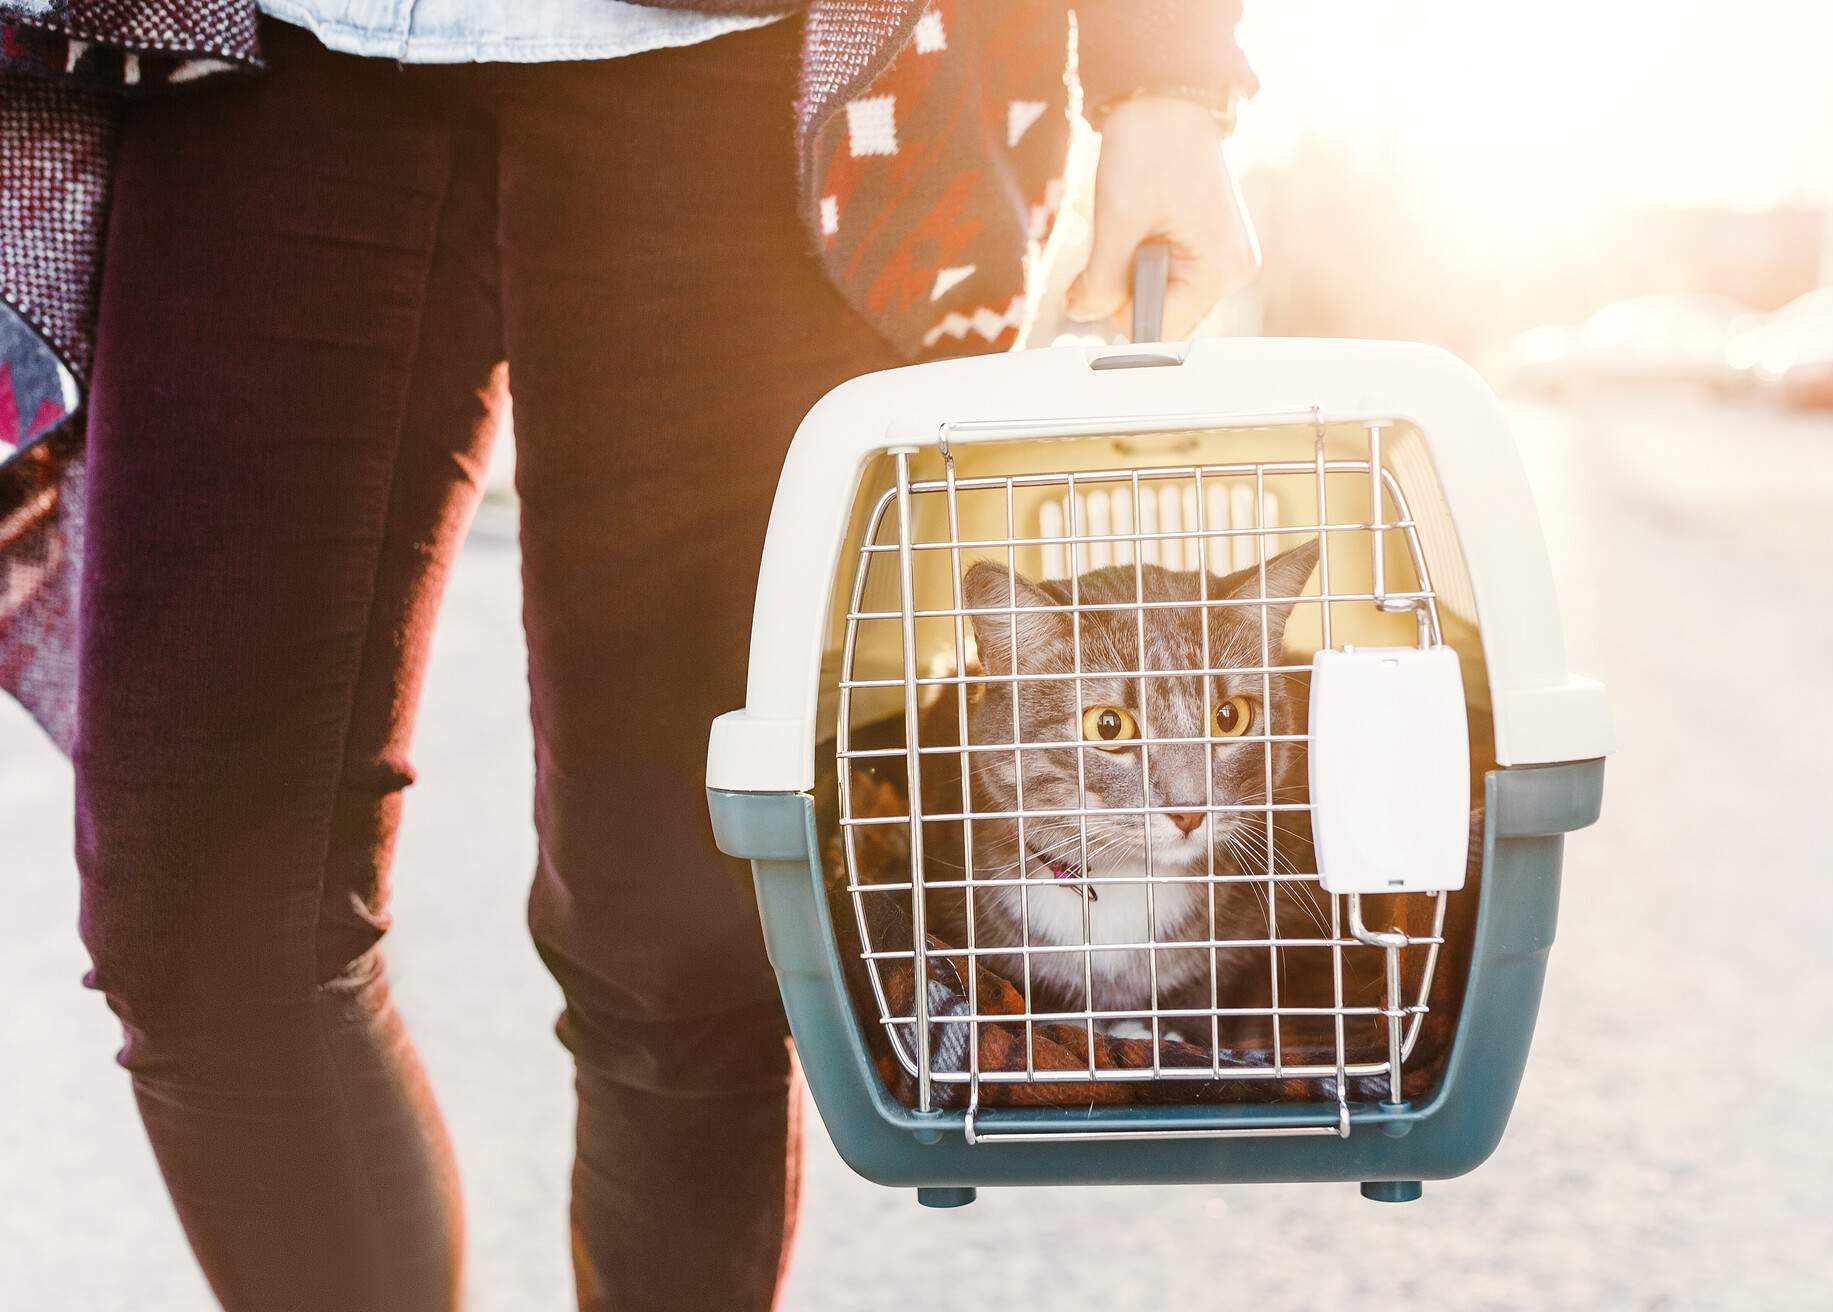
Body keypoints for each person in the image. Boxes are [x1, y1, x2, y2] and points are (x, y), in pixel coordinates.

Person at [0, 1, 1259, 1307]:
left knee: (686, 938)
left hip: (737, 77)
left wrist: (1162, 76)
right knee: (201, 930)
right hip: (270, 52)